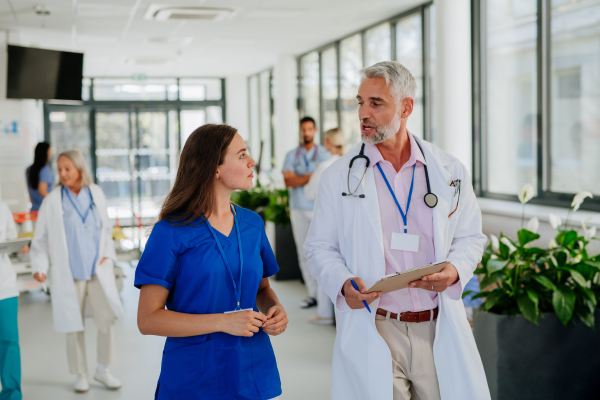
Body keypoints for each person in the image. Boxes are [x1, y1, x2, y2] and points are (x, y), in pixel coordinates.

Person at [304, 61, 491, 400]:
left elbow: (470, 236)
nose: (364, 113)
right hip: (377, 325)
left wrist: (454, 269)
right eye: (360, 102)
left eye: (376, 103)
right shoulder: (339, 176)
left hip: (437, 326)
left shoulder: (449, 170)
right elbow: (319, 247)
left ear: (406, 107)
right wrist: (343, 282)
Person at [135, 124, 288, 400]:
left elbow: (261, 290)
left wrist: (275, 309)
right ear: (214, 169)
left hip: (250, 367)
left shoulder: (252, 224)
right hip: (195, 375)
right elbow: (147, 319)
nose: (252, 161)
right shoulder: (171, 232)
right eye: (242, 155)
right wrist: (223, 322)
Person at [30, 150, 124, 393]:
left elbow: (105, 228)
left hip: (96, 270)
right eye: (59, 169)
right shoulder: (53, 200)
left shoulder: (96, 194)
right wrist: (39, 267)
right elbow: (40, 240)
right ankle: (80, 374)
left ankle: (103, 369)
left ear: (80, 169)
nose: (61, 174)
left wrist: (107, 253)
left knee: (107, 320)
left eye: (67, 169)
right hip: (69, 272)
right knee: (74, 325)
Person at [282, 116, 330, 308]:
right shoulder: (291, 155)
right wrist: (313, 176)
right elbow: (288, 182)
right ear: (300, 131)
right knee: (303, 252)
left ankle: (324, 296)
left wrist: (299, 177)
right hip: (298, 208)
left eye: (310, 129)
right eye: (303, 130)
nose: (306, 133)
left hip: (319, 209)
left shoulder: (325, 153)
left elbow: (325, 178)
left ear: (315, 130)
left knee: (321, 251)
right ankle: (313, 295)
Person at [304, 127, 346, 325]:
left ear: (328, 143)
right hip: (348, 224)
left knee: (325, 261)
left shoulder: (325, 166)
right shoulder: (353, 162)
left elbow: (309, 193)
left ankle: (324, 313)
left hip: (327, 221)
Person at [0, 201, 28, 400]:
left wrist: (20, 246)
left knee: (9, 341)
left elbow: (10, 238)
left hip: (4, 284)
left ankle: (12, 395)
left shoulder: (2, 207)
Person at [26, 142, 54, 212]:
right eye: (49, 151)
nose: (51, 154)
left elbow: (30, 194)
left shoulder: (29, 170)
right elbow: (42, 191)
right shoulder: (45, 170)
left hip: (34, 210)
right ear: (46, 153)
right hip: (45, 211)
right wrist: (55, 202)